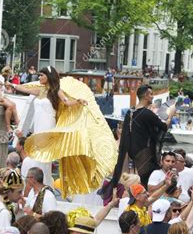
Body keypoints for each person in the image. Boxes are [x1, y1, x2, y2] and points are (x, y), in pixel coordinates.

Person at [11, 66, 117, 197]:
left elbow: (67, 102)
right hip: (38, 126)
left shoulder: (55, 91)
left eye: (41, 75)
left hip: (47, 125)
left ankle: (44, 187)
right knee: (38, 156)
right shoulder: (40, 90)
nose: (39, 78)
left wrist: (78, 101)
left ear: (48, 77)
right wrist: (12, 85)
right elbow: (24, 88)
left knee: (44, 157)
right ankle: (41, 186)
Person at [102, 85, 175, 199]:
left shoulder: (130, 112)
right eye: (151, 94)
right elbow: (163, 127)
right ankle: (144, 203)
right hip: (144, 153)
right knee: (146, 178)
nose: (152, 96)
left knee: (139, 177)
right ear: (146, 96)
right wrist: (170, 114)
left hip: (132, 151)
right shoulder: (147, 114)